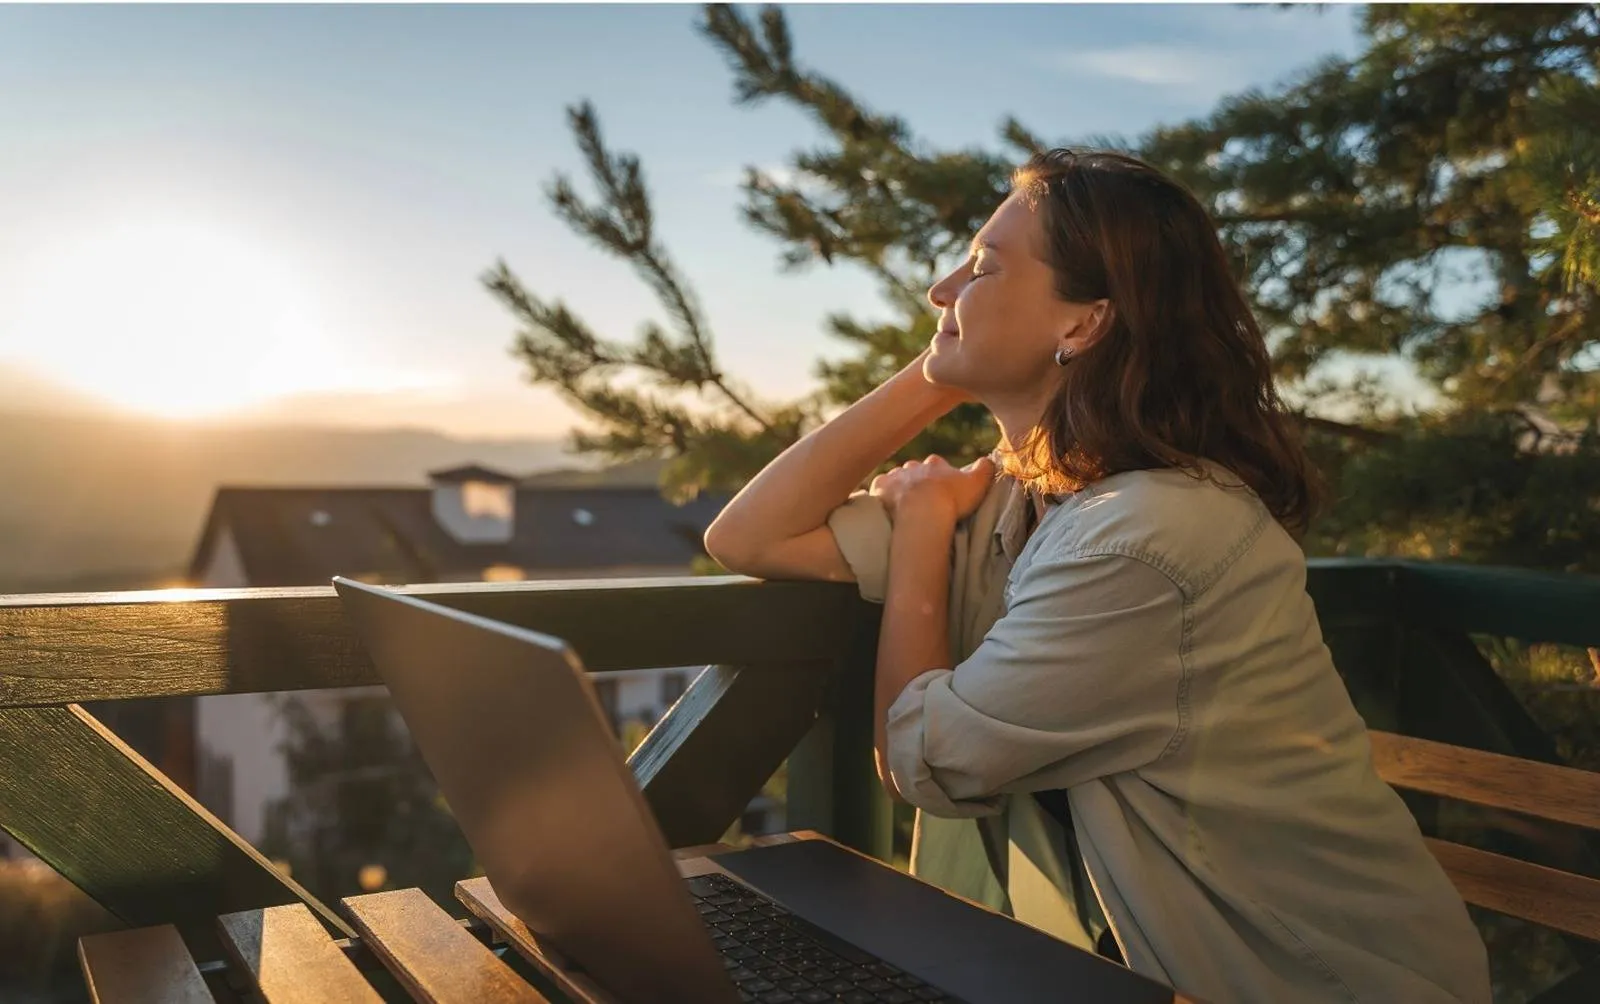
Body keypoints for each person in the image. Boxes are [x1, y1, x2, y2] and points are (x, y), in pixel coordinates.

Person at [704, 149, 1491, 1003]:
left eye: (981, 269)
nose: (941, 291)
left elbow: (926, 763)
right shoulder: (1020, 498)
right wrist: (942, 370)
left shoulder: (1147, 537)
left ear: (1083, 324)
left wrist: (924, 528)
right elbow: (749, 535)